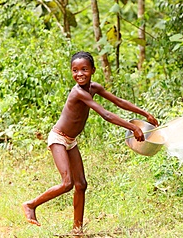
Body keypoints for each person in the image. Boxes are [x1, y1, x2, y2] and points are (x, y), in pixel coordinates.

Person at [22, 51, 158, 233]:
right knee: (67, 183)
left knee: (81, 185)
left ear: (93, 70)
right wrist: (133, 127)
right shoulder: (77, 92)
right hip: (58, 138)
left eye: (84, 69)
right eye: (75, 70)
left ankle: (77, 231)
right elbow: (106, 114)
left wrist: (144, 114)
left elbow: (118, 101)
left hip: (71, 141)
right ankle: (31, 205)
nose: (80, 74)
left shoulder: (94, 88)